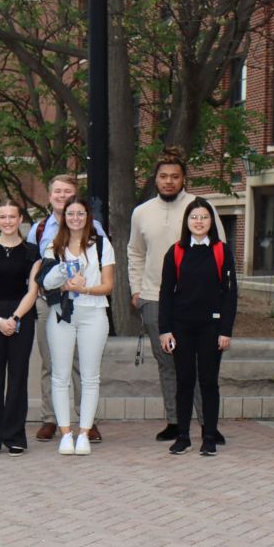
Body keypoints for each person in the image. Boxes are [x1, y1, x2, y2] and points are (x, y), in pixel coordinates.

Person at [128, 147, 225, 443]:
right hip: (155, 300)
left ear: (184, 179)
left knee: (199, 365)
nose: (169, 181)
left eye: (175, 176)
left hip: (196, 302)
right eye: (163, 176)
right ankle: (174, 421)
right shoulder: (141, 213)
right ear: (156, 179)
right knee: (168, 363)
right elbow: (135, 252)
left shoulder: (200, 209)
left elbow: (219, 250)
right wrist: (136, 290)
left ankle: (208, 425)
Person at [157, 198, 236, 456]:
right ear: (187, 222)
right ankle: (183, 437)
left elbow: (229, 295)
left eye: (204, 217)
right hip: (181, 327)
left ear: (211, 221)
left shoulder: (222, 251)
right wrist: (165, 330)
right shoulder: (176, 252)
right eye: (194, 217)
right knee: (184, 381)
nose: (199, 222)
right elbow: (166, 293)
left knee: (209, 381)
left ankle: (209, 436)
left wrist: (225, 330)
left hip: (211, 328)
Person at [31, 174, 106, 444]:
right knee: (51, 362)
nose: (62, 196)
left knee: (82, 366)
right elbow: (35, 268)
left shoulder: (95, 229)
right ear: (50, 196)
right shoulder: (40, 229)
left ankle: (86, 421)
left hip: (87, 304)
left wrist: (84, 287)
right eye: (58, 192)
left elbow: (102, 268)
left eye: (68, 192)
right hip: (48, 303)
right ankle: (51, 419)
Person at [40, 197, 115, 456]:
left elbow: (108, 286)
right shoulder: (54, 246)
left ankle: (84, 432)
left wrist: (84, 288)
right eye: (70, 214)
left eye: (80, 213)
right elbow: (45, 285)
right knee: (60, 376)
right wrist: (64, 282)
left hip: (93, 313)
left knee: (90, 376)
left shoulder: (101, 245)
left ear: (88, 216)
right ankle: (65, 434)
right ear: (63, 217)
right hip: (62, 315)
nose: (75, 218)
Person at [0, 201, 40, 456]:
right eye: (3, 217)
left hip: (21, 315)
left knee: (17, 378)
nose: (8, 221)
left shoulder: (31, 252)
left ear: (20, 218)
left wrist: (14, 318)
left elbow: (32, 290)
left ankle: (14, 436)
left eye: (12, 216)